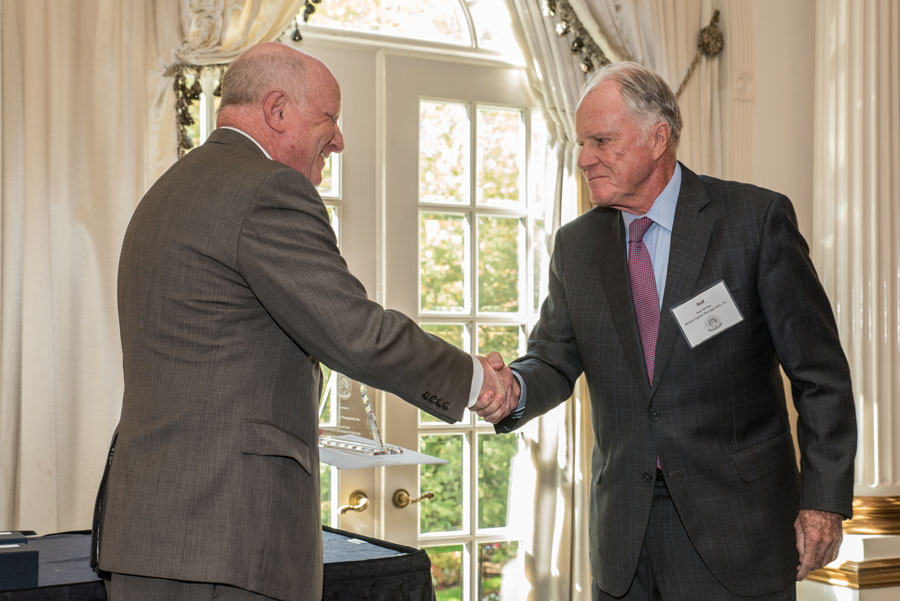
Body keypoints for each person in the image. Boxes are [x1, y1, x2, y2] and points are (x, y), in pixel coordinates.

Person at [91, 42, 514, 601]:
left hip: (151, 535)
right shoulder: (265, 188)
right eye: (330, 119)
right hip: (227, 538)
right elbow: (355, 332)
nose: (338, 139)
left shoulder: (170, 190)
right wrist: (477, 381)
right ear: (277, 111)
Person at [481, 61, 857, 600]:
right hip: (624, 538)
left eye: (601, 141)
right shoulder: (577, 246)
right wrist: (514, 388)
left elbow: (820, 375)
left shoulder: (754, 221)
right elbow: (554, 358)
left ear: (658, 138)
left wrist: (822, 501)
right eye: (582, 142)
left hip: (738, 532)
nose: (584, 158)